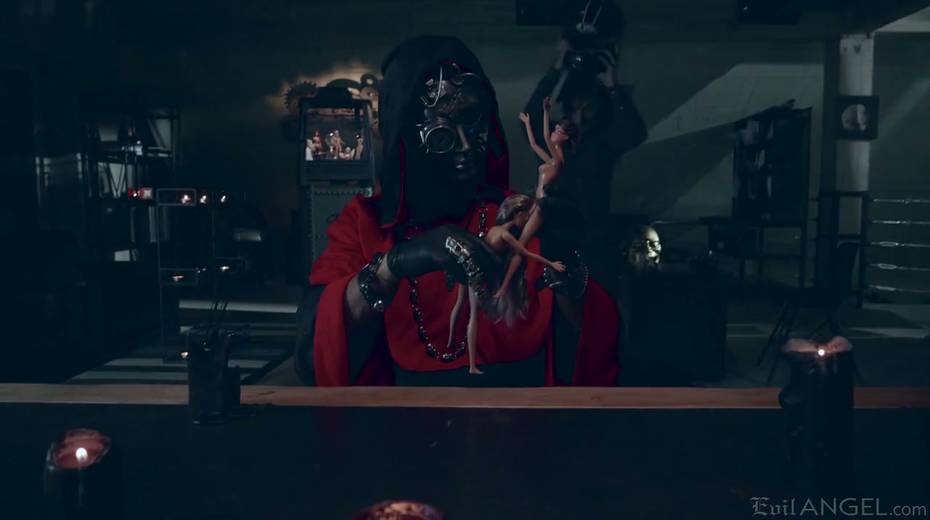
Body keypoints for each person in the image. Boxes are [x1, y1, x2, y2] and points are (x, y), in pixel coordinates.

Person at [294, 36, 620, 387]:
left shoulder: (515, 214)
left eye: (474, 124)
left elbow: (595, 348)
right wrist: (392, 266)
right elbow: (314, 358)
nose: (466, 147)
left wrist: (567, 266)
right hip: (404, 417)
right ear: (405, 137)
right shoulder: (364, 225)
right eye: (442, 134)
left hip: (524, 413)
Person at [523, 3, 647, 296]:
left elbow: (633, 134)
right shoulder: (554, 139)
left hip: (595, 240)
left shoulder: (603, 141)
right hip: (556, 238)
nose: (579, 114)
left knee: (598, 304)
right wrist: (557, 68)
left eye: (587, 108)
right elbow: (529, 116)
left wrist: (613, 86)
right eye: (576, 106)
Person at [447, 194, 566, 375]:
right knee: (472, 315)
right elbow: (526, 253)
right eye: (525, 218)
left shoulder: (494, 229)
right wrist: (551, 264)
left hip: (466, 263)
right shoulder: (505, 235)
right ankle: (472, 366)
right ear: (518, 214)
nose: (525, 222)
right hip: (474, 270)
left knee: (459, 304)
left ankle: (450, 341)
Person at [497, 97, 576, 298]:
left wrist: (546, 111)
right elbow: (534, 144)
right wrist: (526, 123)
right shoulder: (552, 160)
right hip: (535, 202)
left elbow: (545, 137)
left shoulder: (558, 160)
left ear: (566, 137)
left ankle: (505, 287)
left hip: (542, 206)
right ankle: (503, 274)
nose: (554, 132)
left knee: (521, 245)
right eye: (555, 128)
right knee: (513, 231)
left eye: (559, 131)